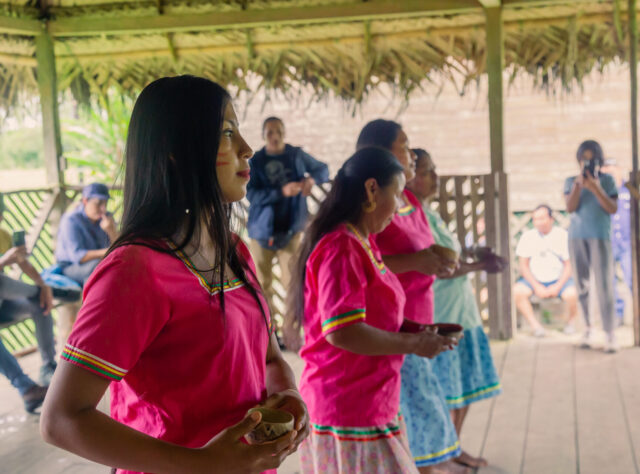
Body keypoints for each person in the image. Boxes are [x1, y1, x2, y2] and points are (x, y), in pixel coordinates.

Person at [41, 76, 308, 474]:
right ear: (176, 154)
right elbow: (62, 419)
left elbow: (269, 355)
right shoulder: (135, 270)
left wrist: (287, 392)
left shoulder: (233, 251)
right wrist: (200, 463)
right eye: (227, 133)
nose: (247, 149)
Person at [290, 147, 456, 474]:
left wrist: (414, 330)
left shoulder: (363, 242)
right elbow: (342, 331)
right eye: (397, 194)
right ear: (371, 190)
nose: (400, 206)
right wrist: (414, 345)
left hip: (372, 400)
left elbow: (372, 315)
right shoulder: (340, 247)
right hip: (347, 407)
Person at [357, 120, 463, 474]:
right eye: (404, 145)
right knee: (418, 412)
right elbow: (367, 258)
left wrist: (433, 261)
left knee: (419, 411)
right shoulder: (366, 211)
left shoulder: (410, 200)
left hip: (417, 317)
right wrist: (417, 260)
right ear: (381, 153)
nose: (412, 153)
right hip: (389, 328)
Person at [407, 148, 504, 470]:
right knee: (443, 391)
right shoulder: (410, 217)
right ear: (409, 175)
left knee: (462, 386)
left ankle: (453, 448)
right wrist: (478, 265)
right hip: (440, 310)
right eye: (426, 171)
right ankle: (439, 454)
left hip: (461, 310)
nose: (434, 176)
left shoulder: (429, 214)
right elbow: (441, 267)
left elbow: (450, 256)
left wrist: (475, 256)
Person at [246, 117, 329, 342]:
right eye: (270, 132)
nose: (275, 136)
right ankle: (270, 334)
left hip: (292, 230)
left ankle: (292, 331)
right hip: (262, 231)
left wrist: (311, 179)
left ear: (284, 133)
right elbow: (251, 194)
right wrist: (281, 192)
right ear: (264, 135)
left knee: (292, 282)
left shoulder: (296, 156)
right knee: (262, 285)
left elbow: (324, 170)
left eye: (278, 131)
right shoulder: (256, 161)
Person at [564, 139, 618, 352]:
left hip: (600, 236)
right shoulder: (571, 181)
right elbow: (570, 207)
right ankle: (587, 328)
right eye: (584, 159)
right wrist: (579, 184)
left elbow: (612, 208)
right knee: (582, 285)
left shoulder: (608, 181)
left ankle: (610, 333)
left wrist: (596, 188)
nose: (587, 163)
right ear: (579, 160)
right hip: (577, 237)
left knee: (604, 285)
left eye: (591, 159)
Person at [0, 195, 57, 395]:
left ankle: (48, 365)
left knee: (40, 303)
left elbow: (23, 262)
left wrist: (42, 284)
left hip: (4, 303)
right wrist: (3, 261)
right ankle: (27, 388)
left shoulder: (3, 235)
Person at [513, 204, 578, 336]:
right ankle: (535, 326)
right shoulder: (527, 237)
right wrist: (536, 286)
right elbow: (523, 265)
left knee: (573, 294)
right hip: (534, 281)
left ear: (551, 219)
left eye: (542, 218)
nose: (539, 222)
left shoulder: (562, 236)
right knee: (517, 291)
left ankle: (570, 323)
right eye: (535, 219)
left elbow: (569, 265)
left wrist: (557, 286)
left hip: (559, 280)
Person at [55, 182, 118, 287]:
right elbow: (78, 256)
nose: (103, 209)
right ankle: (91, 302)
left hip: (98, 262)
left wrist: (112, 231)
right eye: (98, 203)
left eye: (105, 203)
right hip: (70, 267)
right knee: (98, 266)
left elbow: (119, 248)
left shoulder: (106, 218)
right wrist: (109, 251)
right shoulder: (71, 220)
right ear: (85, 201)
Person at [600, 159, 632, 327]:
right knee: (610, 281)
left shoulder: (629, 188)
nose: (610, 173)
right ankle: (617, 316)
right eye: (606, 170)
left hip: (628, 242)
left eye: (612, 169)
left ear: (619, 170)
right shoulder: (603, 190)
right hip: (609, 241)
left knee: (632, 279)